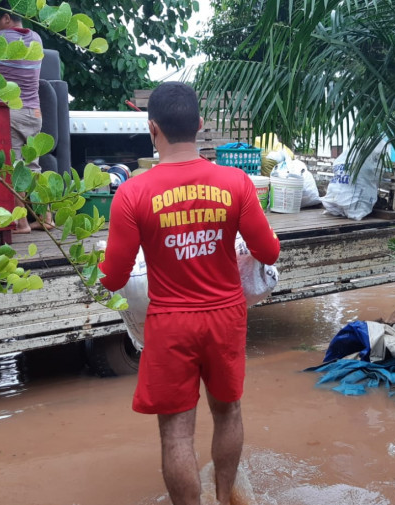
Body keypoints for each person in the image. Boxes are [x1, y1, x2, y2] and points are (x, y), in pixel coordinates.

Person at [98, 82, 281, 505]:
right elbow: (268, 251)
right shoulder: (236, 184)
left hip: (169, 324)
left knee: (177, 431)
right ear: (199, 125)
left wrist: (94, 269)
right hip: (225, 318)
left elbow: (114, 277)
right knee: (228, 412)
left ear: (152, 129)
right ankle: (224, 497)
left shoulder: (131, 193)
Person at [0, 1, 50, 233]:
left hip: (8, 113)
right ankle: (46, 217)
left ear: (5, 19)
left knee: (14, 168)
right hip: (34, 113)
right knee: (33, 167)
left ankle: (21, 222)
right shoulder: (36, 39)